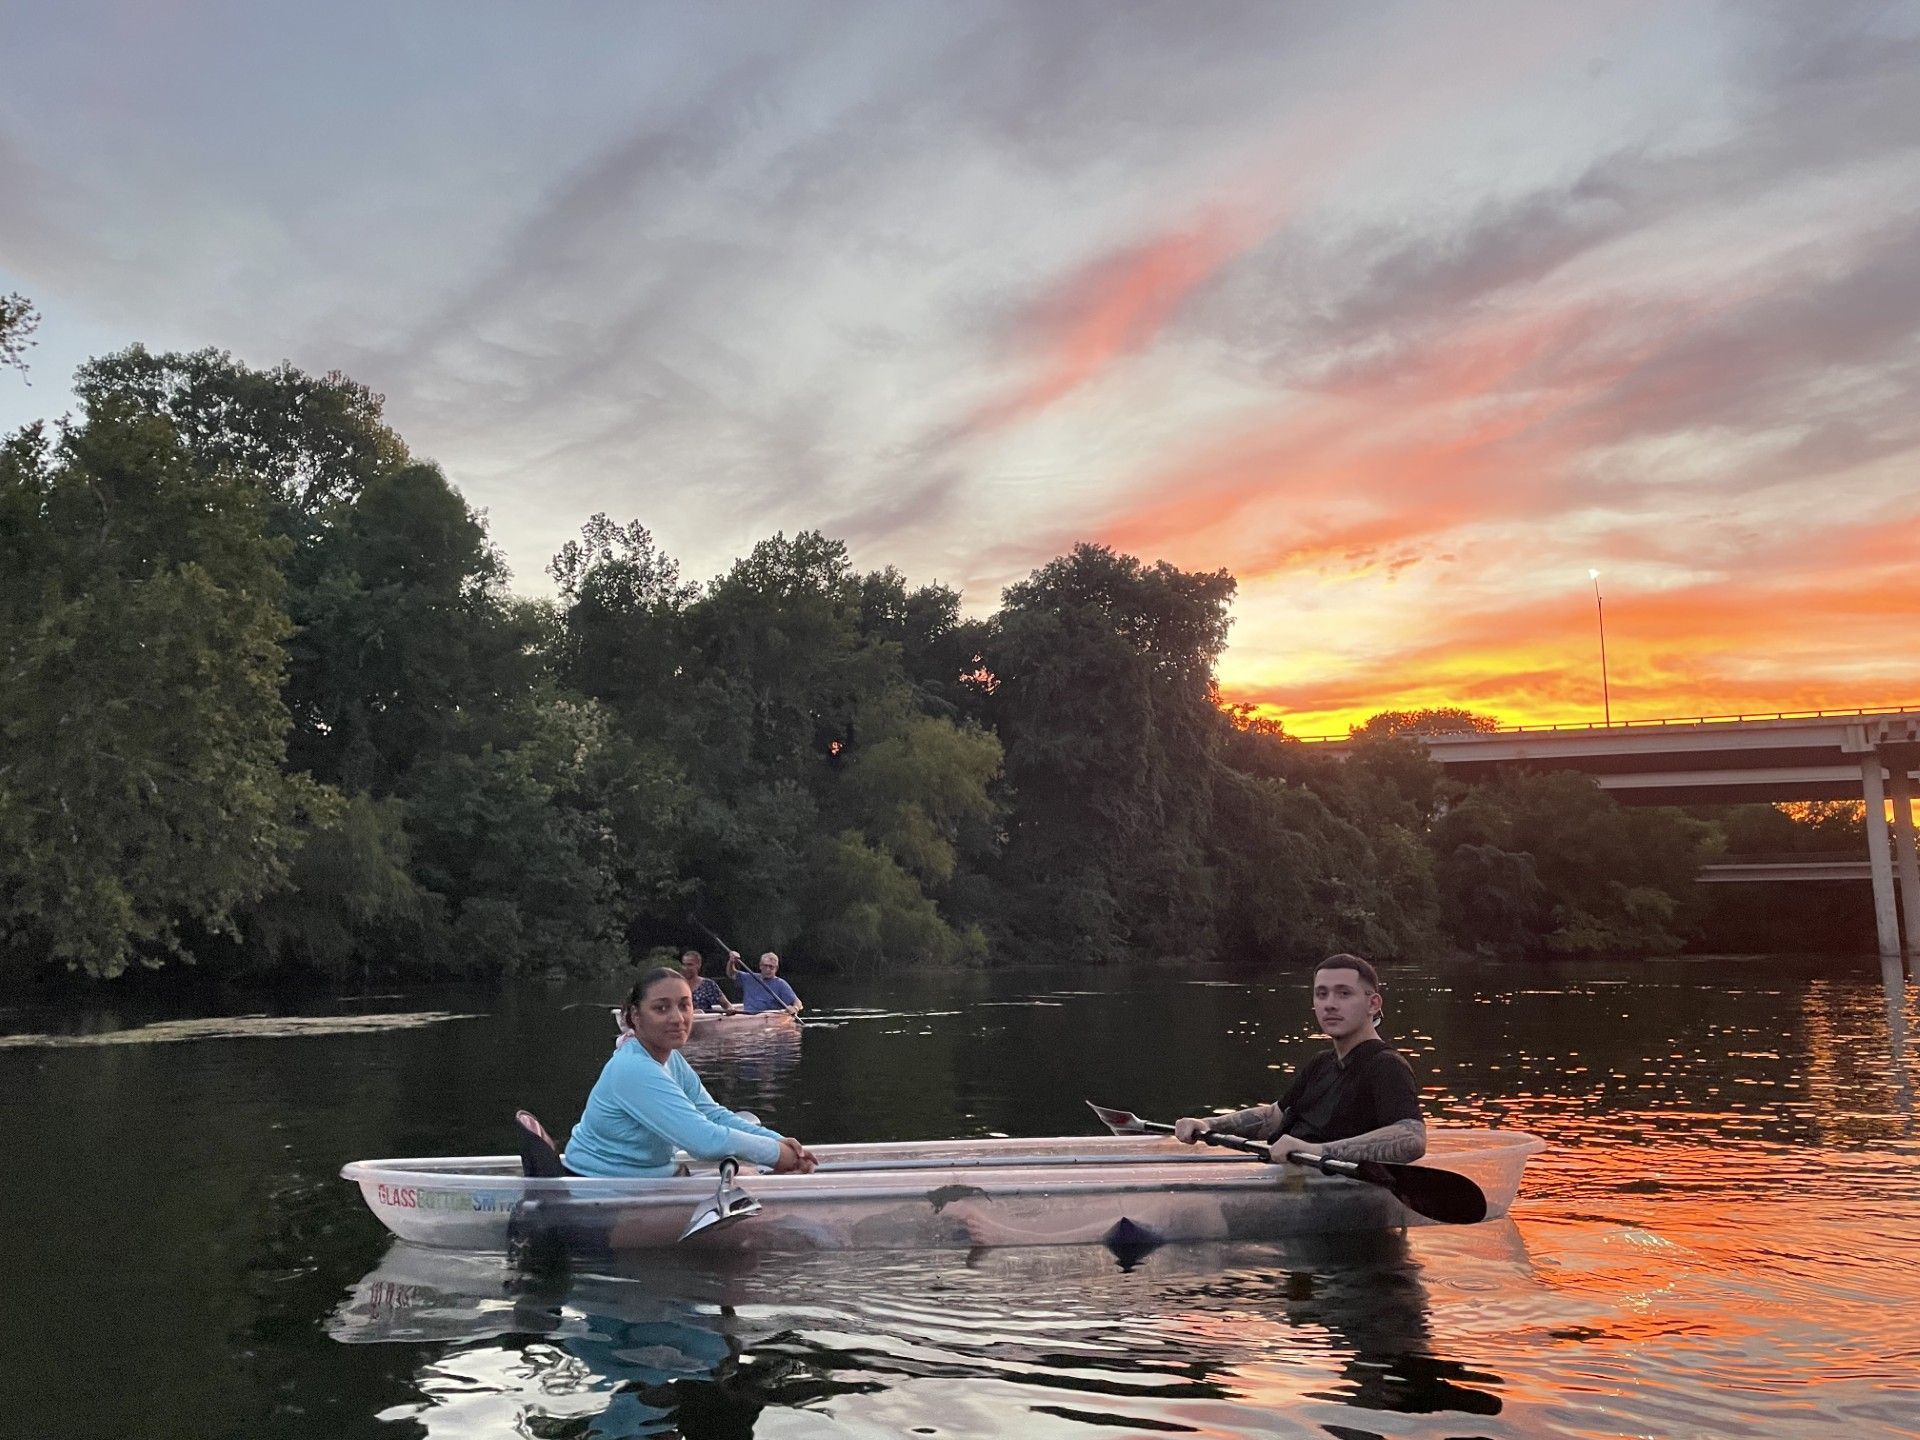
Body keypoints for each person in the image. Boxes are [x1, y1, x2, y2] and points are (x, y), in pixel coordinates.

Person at [1173, 953, 1426, 1164]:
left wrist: (1316, 1151)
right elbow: (1274, 1117)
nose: (1329, 1004)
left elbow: (1412, 1139)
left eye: (1344, 994)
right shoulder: (1321, 1063)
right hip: (1289, 1175)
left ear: (1373, 1004)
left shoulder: (1387, 1066)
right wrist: (1207, 1124)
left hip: (1329, 1188)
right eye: (1321, 994)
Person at [566, 966, 818, 1178]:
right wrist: (776, 1155)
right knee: (753, 1194)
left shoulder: (670, 1058)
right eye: (661, 1008)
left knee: (748, 1176)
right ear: (636, 1015)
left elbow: (713, 1115)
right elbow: (704, 1142)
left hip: (648, 1179)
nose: (677, 1018)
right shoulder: (633, 1069)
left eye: (685, 1006)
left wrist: (780, 1142)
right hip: (601, 1191)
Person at [732, 951, 803, 1015]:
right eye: (765, 966)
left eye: (771, 967)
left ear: (776, 969)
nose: (768, 969)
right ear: (760, 966)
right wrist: (732, 961)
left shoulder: (781, 984)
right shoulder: (750, 977)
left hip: (768, 1019)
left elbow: (798, 1002)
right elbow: (731, 973)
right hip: (747, 1017)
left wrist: (795, 1008)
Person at [679, 948, 742, 1014]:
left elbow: (727, 1005)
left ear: (699, 965)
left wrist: (730, 1009)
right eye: (684, 964)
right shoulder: (676, 985)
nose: (685, 968)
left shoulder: (708, 985)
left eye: (690, 965)